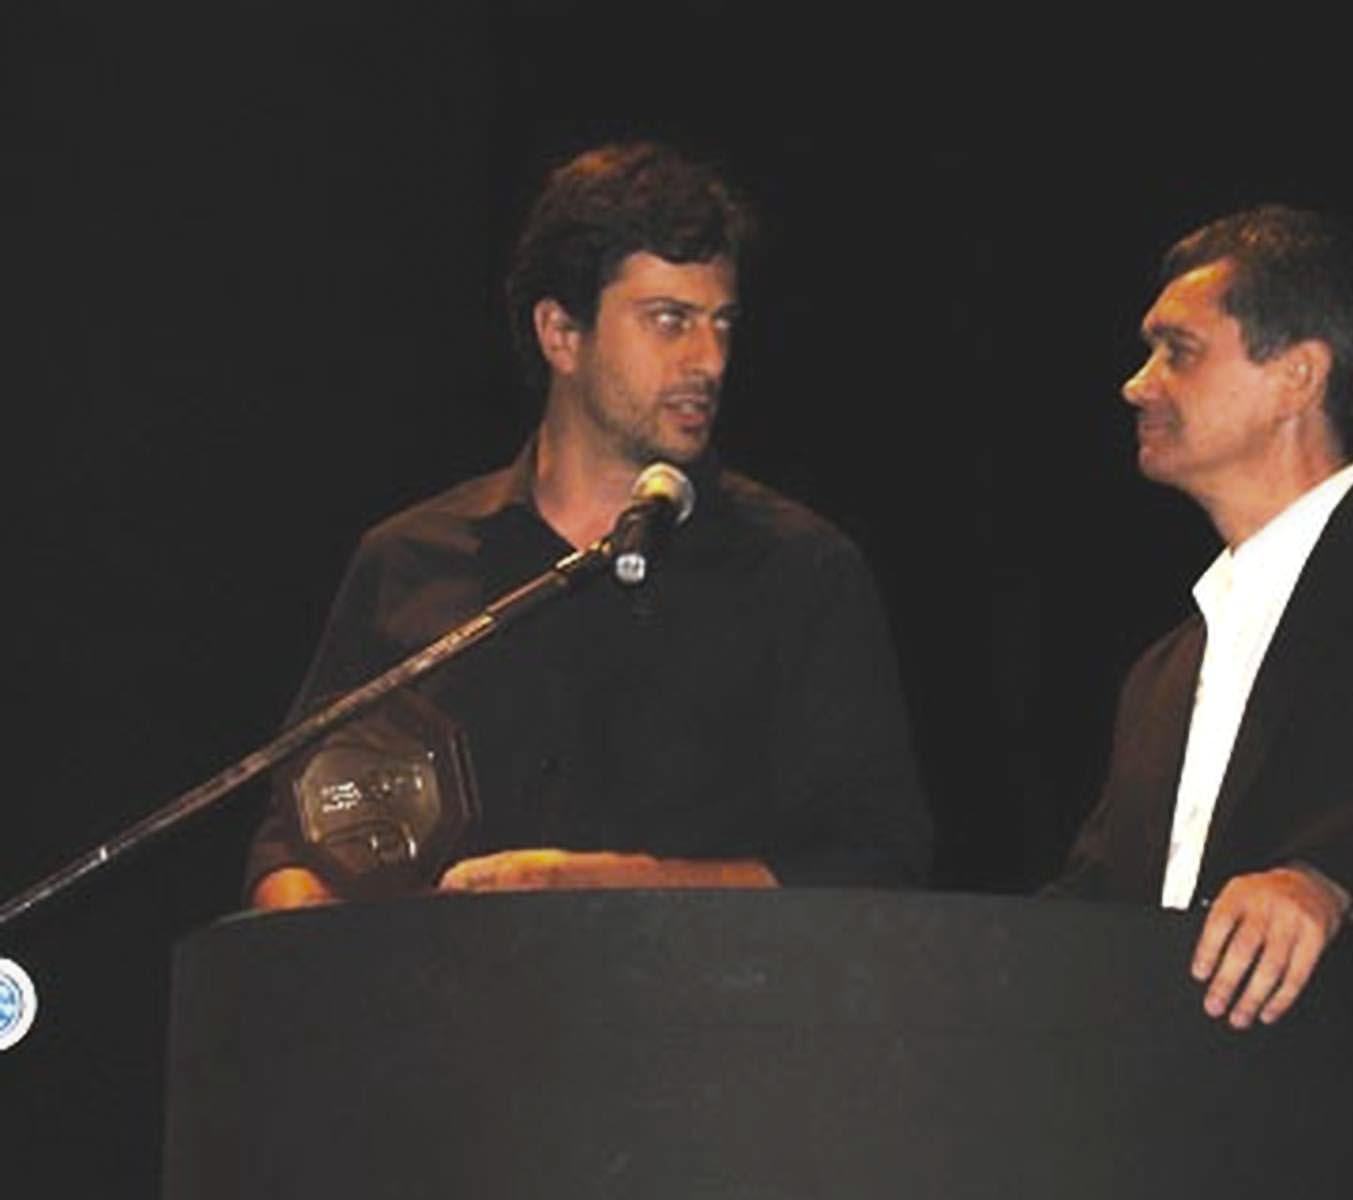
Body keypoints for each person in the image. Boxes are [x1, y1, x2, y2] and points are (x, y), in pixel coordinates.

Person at [247, 143, 931, 908]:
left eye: (722, 323)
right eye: (669, 320)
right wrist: (303, 929)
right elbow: (298, 836)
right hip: (440, 988)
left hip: (700, 990)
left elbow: (873, 866)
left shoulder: (799, 571)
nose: (709, 359)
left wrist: (599, 889)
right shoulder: (409, 561)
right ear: (560, 333)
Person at [1050, 206, 1353, 1189]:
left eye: (1176, 351)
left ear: (1298, 376)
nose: (1136, 383)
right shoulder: (1161, 671)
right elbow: (1092, 899)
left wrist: (1321, 876)